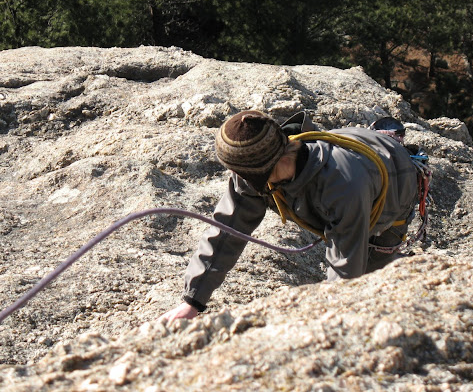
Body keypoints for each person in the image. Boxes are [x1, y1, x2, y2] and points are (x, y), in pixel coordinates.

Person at [160, 110, 420, 322]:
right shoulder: (253, 169)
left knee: (371, 279)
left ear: (271, 165)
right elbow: (227, 231)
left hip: (395, 182)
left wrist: (325, 324)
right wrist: (192, 301)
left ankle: (391, 140)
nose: (241, 181)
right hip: (354, 160)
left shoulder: (342, 185)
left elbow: (346, 270)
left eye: (247, 176)